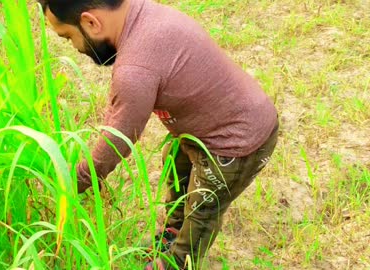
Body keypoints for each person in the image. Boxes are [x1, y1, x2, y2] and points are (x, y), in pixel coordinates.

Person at [37, 0, 279, 269]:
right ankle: (172, 234)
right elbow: (119, 108)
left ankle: (178, 261)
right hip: (213, 125)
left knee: (202, 210)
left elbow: (118, 139)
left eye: (68, 37)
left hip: (236, 143)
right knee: (175, 161)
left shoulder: (136, 68)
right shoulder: (140, 12)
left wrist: (74, 182)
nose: (75, 48)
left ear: (91, 22)